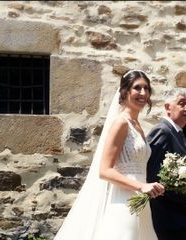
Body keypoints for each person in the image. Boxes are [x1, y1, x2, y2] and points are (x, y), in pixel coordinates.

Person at [54, 70, 164, 240]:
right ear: (125, 91)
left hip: (140, 202)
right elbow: (105, 170)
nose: (143, 93)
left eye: (146, 88)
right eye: (137, 88)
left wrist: (150, 186)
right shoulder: (121, 122)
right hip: (123, 202)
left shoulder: (138, 126)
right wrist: (141, 186)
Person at [147, 87, 186, 240]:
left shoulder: (179, 135)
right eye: (182, 103)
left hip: (184, 223)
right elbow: (153, 178)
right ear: (168, 107)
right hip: (169, 223)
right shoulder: (162, 132)